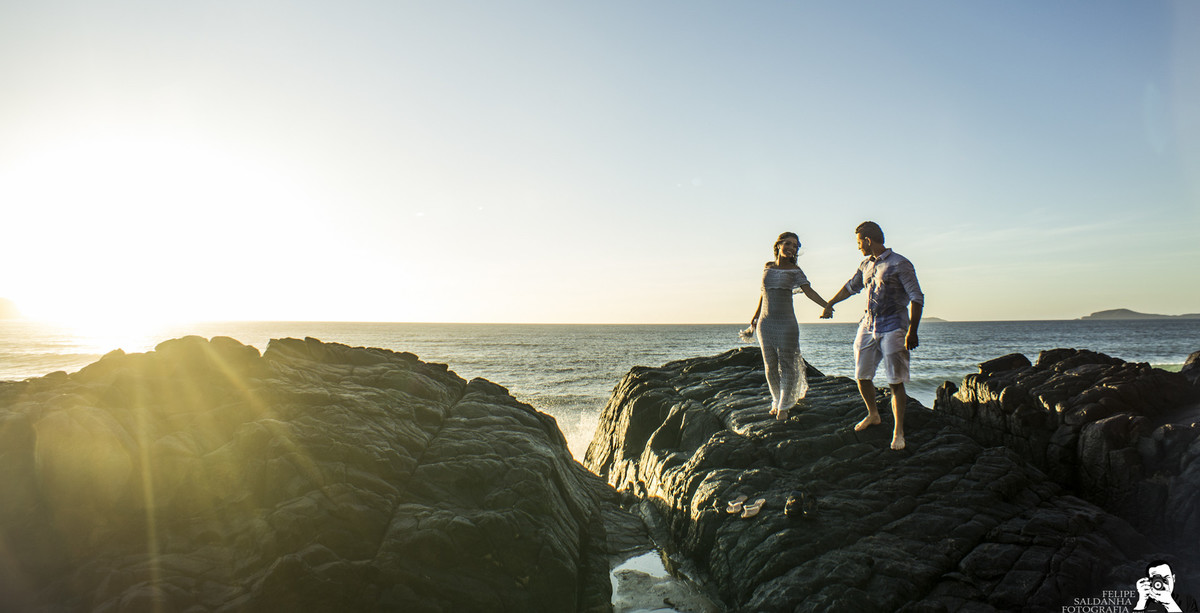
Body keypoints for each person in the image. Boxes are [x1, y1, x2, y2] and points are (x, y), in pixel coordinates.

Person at [821, 221, 923, 450]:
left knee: (895, 381)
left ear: (868, 240)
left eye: (859, 242)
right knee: (862, 375)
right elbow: (851, 286)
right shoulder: (865, 264)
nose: (858, 247)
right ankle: (873, 414)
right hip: (868, 324)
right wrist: (830, 303)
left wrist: (912, 331)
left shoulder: (900, 264)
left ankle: (898, 432)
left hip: (895, 325)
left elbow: (917, 297)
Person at [742, 232, 832, 420]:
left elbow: (809, 291)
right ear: (778, 245)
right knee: (770, 366)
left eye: (795, 246)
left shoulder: (795, 271)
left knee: (787, 365)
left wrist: (827, 305)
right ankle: (776, 399)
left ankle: (784, 405)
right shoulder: (767, 267)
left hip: (787, 324)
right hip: (765, 323)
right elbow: (763, 293)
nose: (792, 248)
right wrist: (756, 315)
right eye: (789, 244)